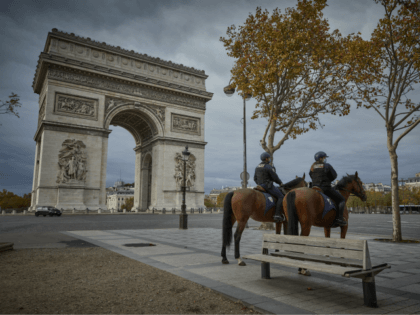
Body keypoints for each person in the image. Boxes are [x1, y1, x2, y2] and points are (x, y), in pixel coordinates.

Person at [309, 151, 347, 227]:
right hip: (325, 188)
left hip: (314, 188)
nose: (325, 159)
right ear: (321, 158)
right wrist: (327, 179)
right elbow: (334, 176)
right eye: (324, 158)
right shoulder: (327, 165)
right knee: (342, 200)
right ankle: (340, 219)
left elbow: (311, 175)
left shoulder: (312, 167)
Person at [254, 152, 285, 222]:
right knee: (281, 197)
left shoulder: (257, 167)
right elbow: (275, 177)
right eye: (269, 158)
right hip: (267, 186)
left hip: (259, 185)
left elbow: (255, 178)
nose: (270, 159)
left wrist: (259, 184)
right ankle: (277, 214)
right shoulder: (268, 166)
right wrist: (280, 183)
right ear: (266, 159)